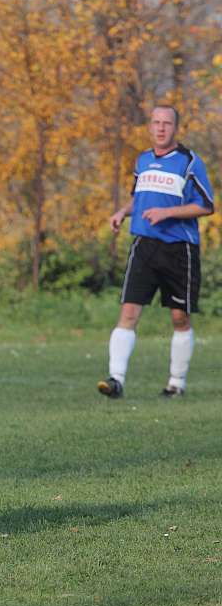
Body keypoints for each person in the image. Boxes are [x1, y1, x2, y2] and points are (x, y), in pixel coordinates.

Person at [98, 105, 214, 399]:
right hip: (144, 245)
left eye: (167, 123)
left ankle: (176, 382)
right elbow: (138, 198)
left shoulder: (189, 162)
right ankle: (116, 380)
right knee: (128, 312)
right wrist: (122, 212)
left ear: (175, 128)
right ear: (150, 127)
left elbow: (206, 206)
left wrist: (168, 213)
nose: (161, 128)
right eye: (156, 123)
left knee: (179, 318)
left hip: (179, 249)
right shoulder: (143, 160)